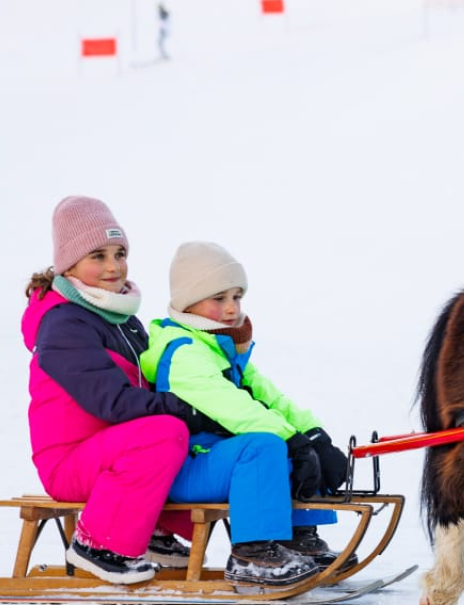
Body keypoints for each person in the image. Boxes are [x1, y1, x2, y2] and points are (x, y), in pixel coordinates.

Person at [22, 197, 225, 585]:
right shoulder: (64, 324)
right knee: (164, 431)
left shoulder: (122, 319)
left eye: (120, 253)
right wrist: (184, 410)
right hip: (69, 461)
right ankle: (98, 544)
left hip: (114, 448)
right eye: (98, 255)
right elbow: (112, 401)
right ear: (69, 263)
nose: (114, 266)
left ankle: (156, 534)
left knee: (191, 433)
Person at [140, 241, 353, 587]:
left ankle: (296, 538)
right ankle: (251, 553)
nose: (231, 308)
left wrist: (312, 434)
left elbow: (270, 399)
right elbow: (233, 409)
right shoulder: (183, 352)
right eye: (219, 298)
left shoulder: (222, 349)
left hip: (215, 460)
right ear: (188, 302)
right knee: (265, 447)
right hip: (187, 465)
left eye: (237, 297)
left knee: (287, 445)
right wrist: (292, 442)